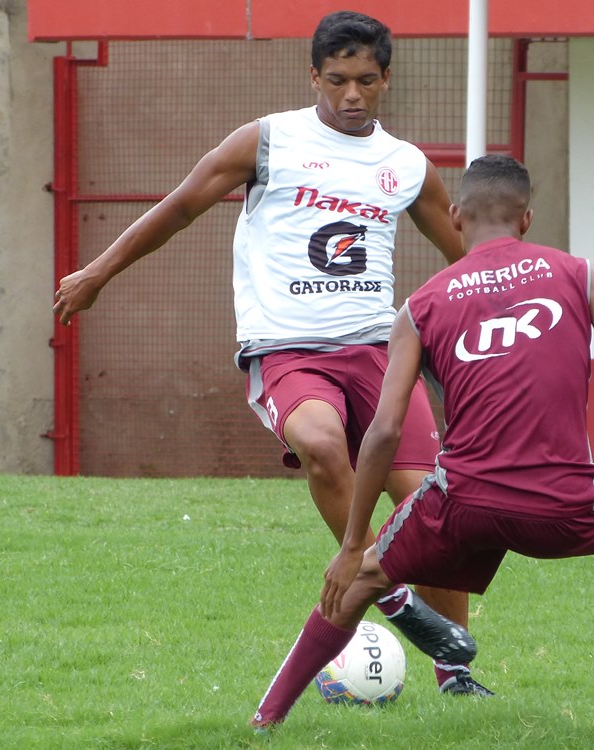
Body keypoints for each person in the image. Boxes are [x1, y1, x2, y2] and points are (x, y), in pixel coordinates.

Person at [251, 154, 594, 741]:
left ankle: (265, 719)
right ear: (526, 219)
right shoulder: (580, 275)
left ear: (455, 217)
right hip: (560, 506)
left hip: (458, 507)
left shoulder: (419, 307)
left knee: (359, 578)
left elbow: (382, 431)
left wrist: (354, 543)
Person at [52, 11, 492, 696]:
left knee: (438, 508)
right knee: (320, 444)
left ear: (386, 81)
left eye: (366, 81)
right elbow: (176, 207)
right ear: (314, 76)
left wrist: (522, 316)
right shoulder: (269, 140)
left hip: (377, 352)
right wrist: (97, 274)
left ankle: (456, 676)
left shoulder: (405, 166)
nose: (352, 95)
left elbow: (469, 257)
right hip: (288, 351)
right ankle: (395, 598)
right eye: (338, 80)